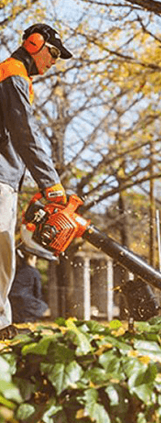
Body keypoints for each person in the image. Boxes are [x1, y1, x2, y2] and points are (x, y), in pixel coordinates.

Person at [0, 23, 72, 340]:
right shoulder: (13, 73)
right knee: (1, 253)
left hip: (7, 177)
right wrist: (51, 184)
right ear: (34, 43)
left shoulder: (16, 77)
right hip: (0, 179)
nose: (54, 60)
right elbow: (25, 133)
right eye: (52, 53)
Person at [9, 248, 48, 323]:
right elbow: (37, 293)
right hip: (26, 301)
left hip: (12, 301)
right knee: (45, 307)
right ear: (32, 258)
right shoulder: (34, 272)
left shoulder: (18, 270)